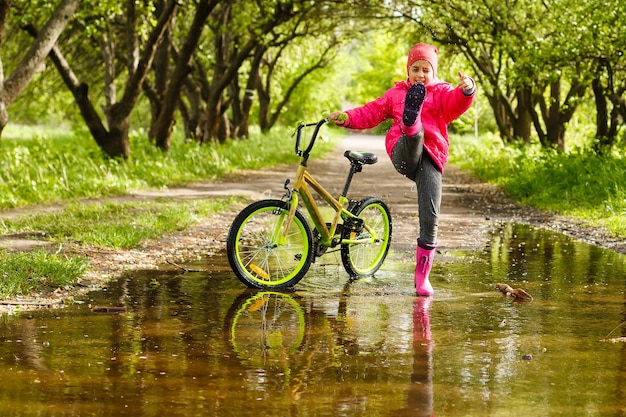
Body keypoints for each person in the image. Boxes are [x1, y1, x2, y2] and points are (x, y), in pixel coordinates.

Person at [328, 43, 476, 296]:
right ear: (408, 70)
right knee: (412, 131)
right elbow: (371, 111)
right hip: (403, 151)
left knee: (431, 215)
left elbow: (456, 104)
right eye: (415, 69)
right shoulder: (396, 94)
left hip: (430, 158)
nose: (420, 74)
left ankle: (422, 278)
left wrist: (467, 90)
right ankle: (411, 123)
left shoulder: (442, 93)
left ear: (433, 72)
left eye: (425, 70)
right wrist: (347, 117)